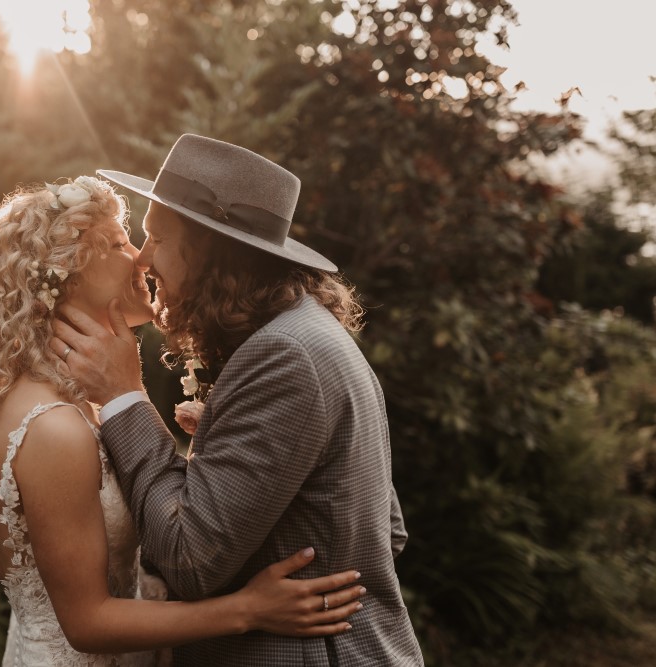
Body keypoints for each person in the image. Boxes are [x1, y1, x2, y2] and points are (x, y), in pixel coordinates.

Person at [0, 175, 367, 666]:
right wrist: (246, 609)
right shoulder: (55, 425)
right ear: (68, 274)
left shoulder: (73, 402)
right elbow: (85, 620)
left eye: (146, 239)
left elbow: (1, 554)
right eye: (118, 242)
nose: (139, 257)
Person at [51, 134, 425, 665]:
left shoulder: (283, 357)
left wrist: (123, 396)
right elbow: (385, 531)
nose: (144, 257)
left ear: (210, 251)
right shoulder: (305, 333)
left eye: (158, 238)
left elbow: (189, 558)